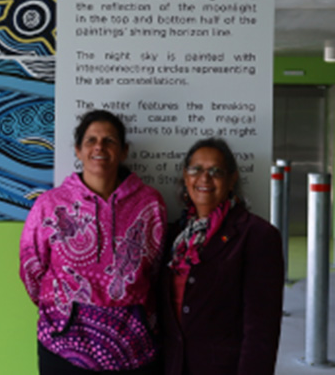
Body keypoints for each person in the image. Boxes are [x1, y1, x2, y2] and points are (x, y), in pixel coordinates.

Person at [19, 109, 166, 374]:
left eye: (109, 140)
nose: (100, 146)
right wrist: (63, 309)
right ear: (78, 150)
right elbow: (32, 268)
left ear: (123, 151)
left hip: (134, 349)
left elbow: (155, 270)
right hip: (62, 346)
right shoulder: (50, 205)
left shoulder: (150, 203)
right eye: (91, 140)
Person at [160, 138, 283, 375]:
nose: (205, 178)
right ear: (186, 177)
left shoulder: (257, 235)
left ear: (231, 179)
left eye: (216, 171)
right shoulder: (173, 235)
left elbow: (261, 331)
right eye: (196, 169)